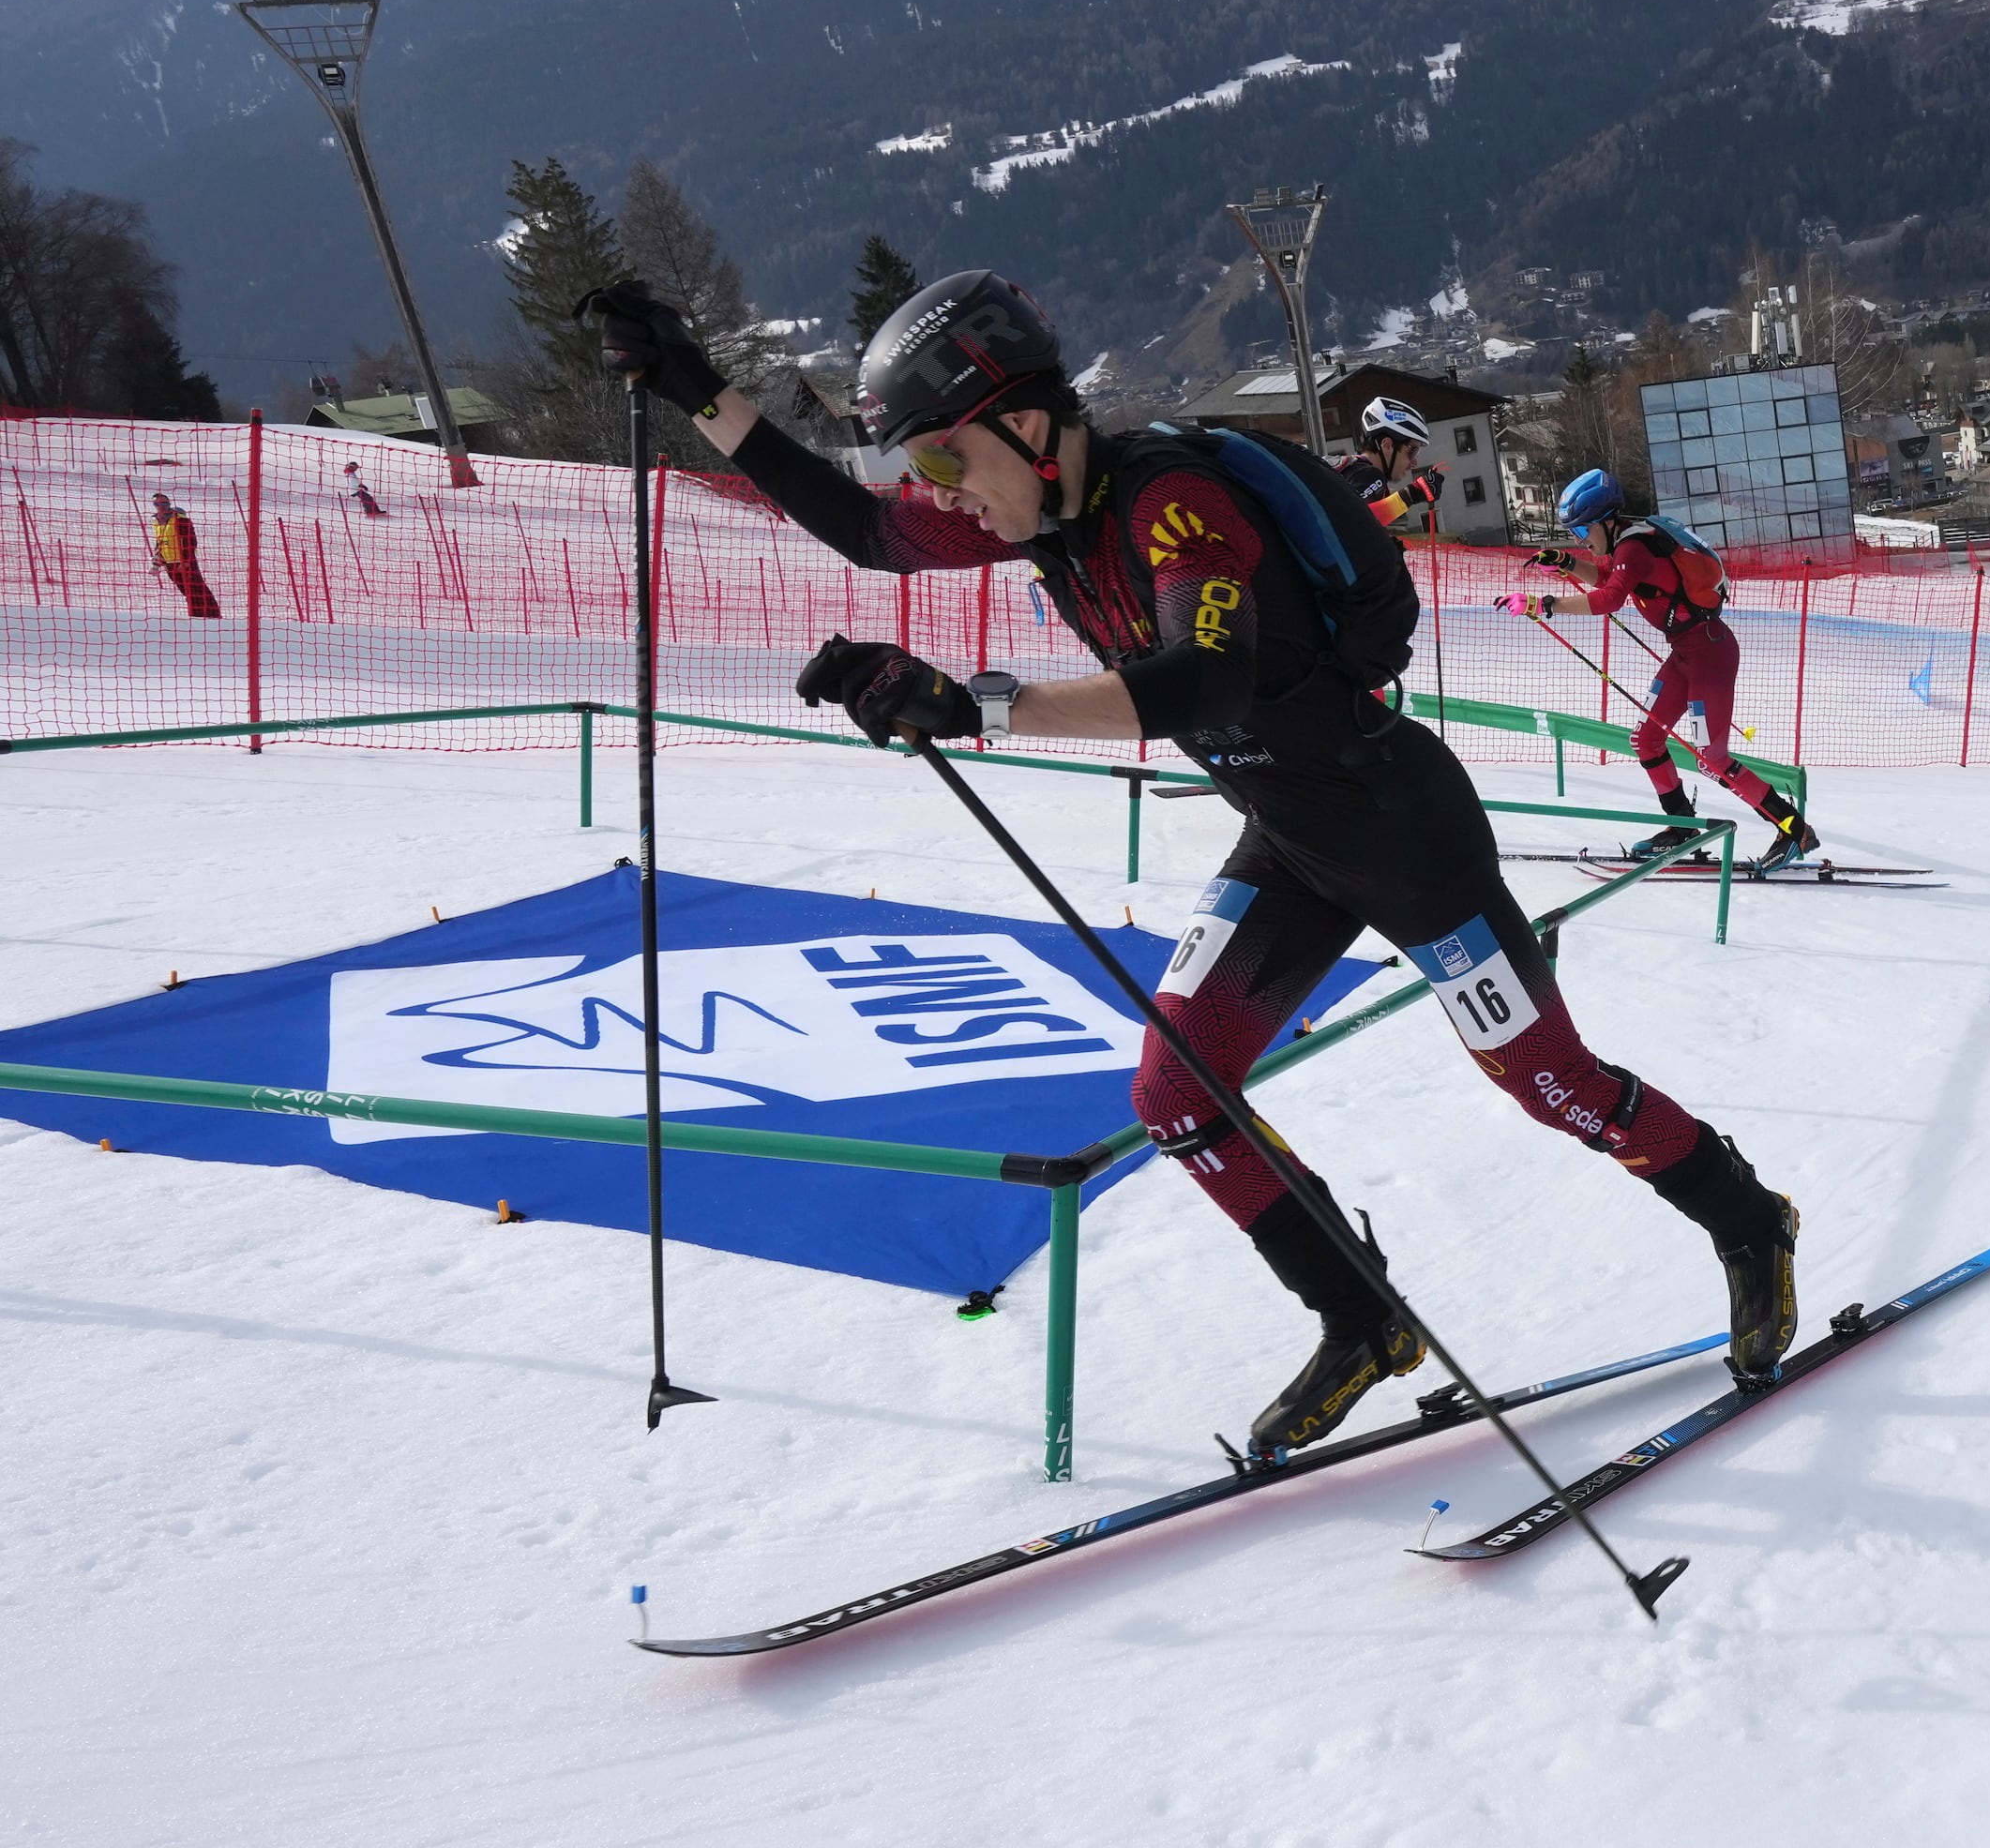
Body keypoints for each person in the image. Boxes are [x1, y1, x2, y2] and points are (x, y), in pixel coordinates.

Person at [575, 272, 1801, 1452]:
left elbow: (1198, 678)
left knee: (1553, 1086)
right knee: (1174, 1095)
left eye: (948, 456)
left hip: (1403, 835)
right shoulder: (1034, 510)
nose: (940, 489)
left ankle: (1747, 1219)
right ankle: (1360, 1317)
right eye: (924, 467)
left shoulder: (1171, 506)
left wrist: (978, 705)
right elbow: (858, 529)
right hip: (1292, 844)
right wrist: (697, 385)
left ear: (1028, 420)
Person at [1500, 468, 1818, 874]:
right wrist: (1565, 562)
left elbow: (1610, 598)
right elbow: (1608, 578)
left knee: (1711, 757)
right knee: (1646, 740)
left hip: (1710, 656)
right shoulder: (1630, 543)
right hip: (1685, 655)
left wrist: (1543, 604)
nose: (1582, 540)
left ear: (1606, 521)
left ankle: (1794, 830)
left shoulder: (1634, 548)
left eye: (1583, 531)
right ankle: (1682, 826)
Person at [1335, 395, 1442, 532]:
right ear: (1387, 446)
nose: (1414, 463)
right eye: (1413, 451)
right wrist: (1412, 494)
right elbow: (1355, 523)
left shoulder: (1351, 470)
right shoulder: (1369, 476)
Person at [147, 494, 220, 619]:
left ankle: (212, 614)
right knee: (186, 591)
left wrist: (187, 560)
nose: (160, 507)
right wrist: (158, 556)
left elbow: (190, 541)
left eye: (163, 503)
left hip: (184, 561)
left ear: (169, 504)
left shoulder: (180, 519)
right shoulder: (156, 521)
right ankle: (197, 614)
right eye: (156, 504)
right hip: (169, 562)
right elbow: (160, 541)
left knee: (196, 588)